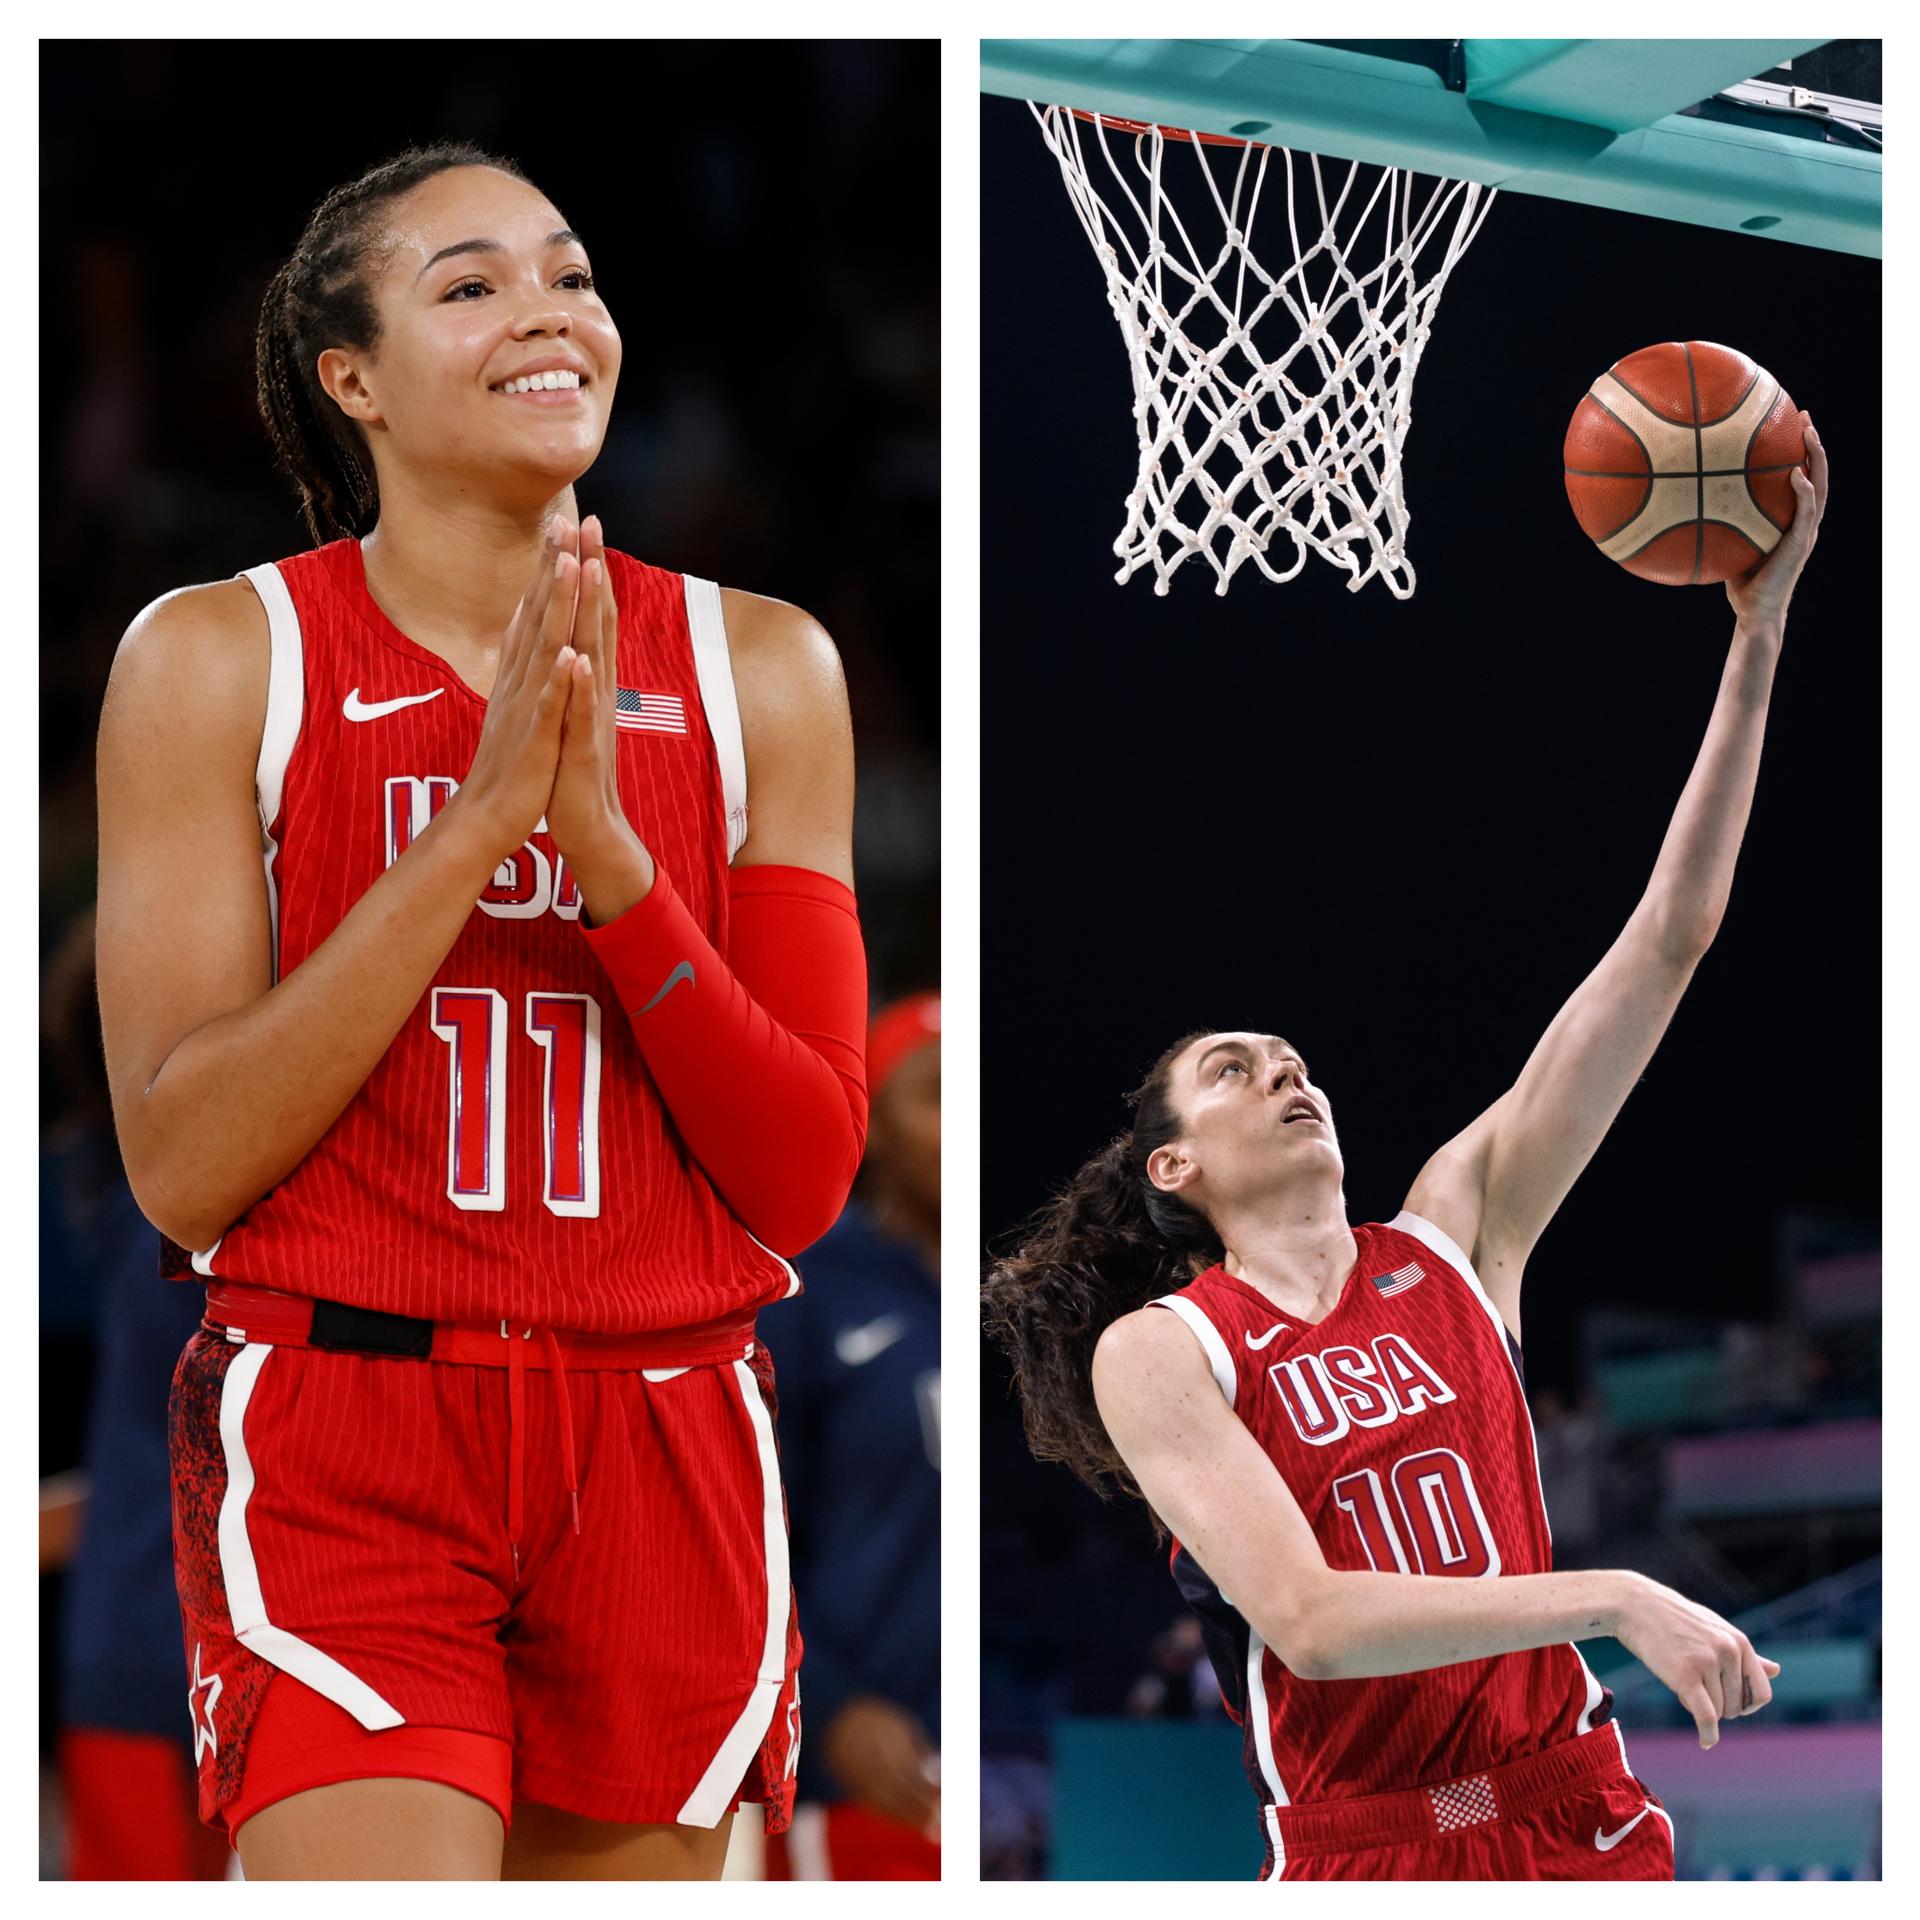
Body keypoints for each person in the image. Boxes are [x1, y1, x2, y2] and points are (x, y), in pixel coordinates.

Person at [94, 143, 866, 1882]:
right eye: (473, 284)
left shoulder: (762, 668)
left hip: (665, 1425)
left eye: (572, 275)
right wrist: (472, 831)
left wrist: (599, 849)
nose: (550, 313)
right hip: (350, 1425)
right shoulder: (220, 659)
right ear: (345, 380)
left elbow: (805, 1172)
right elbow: (183, 1161)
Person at [984, 420, 1827, 1882]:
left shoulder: (1456, 1232)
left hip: (1580, 1815)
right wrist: (1612, 1594)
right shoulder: (1170, 1353)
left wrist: (1759, 630)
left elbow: (1670, 940)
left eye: (1292, 1054)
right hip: (1371, 1854)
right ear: (1173, 1168)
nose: (1288, 1070)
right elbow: (1309, 1622)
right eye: (1236, 1074)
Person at [765, 991, 941, 1880]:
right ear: (871, 1128)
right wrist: (829, 1701)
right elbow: (751, 1532)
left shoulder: (1033, 1306)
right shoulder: (808, 1290)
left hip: (1015, 1755)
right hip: (864, 1768)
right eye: (937, 1098)